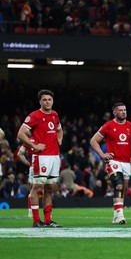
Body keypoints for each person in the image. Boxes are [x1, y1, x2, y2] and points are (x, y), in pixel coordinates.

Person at [90, 102, 131, 224]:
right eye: (120, 110)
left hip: (126, 163)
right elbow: (94, 141)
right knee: (118, 185)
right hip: (113, 161)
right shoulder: (108, 125)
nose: (123, 112)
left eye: (124, 110)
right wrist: (102, 155)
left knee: (122, 188)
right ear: (114, 112)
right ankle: (120, 215)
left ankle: (116, 215)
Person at [17, 89, 63, 228]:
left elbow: (59, 129)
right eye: (44, 100)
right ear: (40, 101)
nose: (47, 102)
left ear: (53, 101)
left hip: (54, 156)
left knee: (50, 189)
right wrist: (34, 145)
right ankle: (36, 221)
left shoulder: (55, 115)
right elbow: (21, 133)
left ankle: (48, 220)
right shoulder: (34, 116)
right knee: (37, 188)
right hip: (41, 157)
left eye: (49, 99)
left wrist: (59, 138)